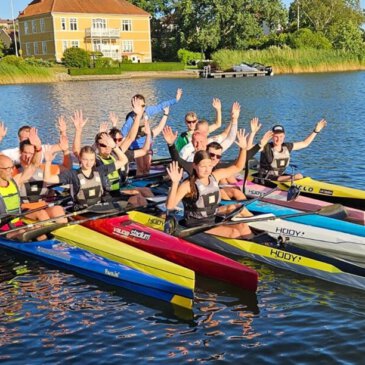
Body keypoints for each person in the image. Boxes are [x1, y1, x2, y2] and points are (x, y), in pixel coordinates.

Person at [166, 130, 254, 239]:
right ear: (194, 166)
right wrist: (174, 183)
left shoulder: (214, 176)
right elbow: (170, 206)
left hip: (211, 218)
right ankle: (240, 253)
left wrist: (243, 149)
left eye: (209, 166)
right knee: (233, 233)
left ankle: (256, 249)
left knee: (242, 226)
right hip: (196, 225)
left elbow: (238, 167)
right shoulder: (188, 185)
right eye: (203, 166)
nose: (207, 170)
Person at [43, 134, 128, 210]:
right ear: (80, 159)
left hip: (99, 209)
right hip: (81, 211)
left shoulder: (100, 170)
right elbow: (47, 179)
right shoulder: (72, 175)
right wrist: (48, 162)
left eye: (91, 160)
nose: (88, 163)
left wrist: (114, 146)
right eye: (85, 159)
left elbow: (124, 160)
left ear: (95, 160)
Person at [121, 88, 183, 174]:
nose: (142, 108)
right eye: (139, 106)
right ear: (134, 106)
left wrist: (176, 100)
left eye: (143, 106)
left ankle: (146, 182)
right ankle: (139, 182)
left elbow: (161, 105)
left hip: (147, 142)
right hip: (136, 145)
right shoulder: (130, 119)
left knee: (147, 167)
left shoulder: (148, 111)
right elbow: (122, 135)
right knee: (141, 168)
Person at [259, 119, 327, 181]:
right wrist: (259, 141)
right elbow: (249, 148)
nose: (278, 139)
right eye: (276, 136)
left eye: (281, 136)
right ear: (272, 137)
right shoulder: (265, 147)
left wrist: (315, 131)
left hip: (280, 177)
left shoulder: (287, 146)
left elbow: (305, 143)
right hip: (265, 179)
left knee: (300, 176)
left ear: (284, 136)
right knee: (298, 176)